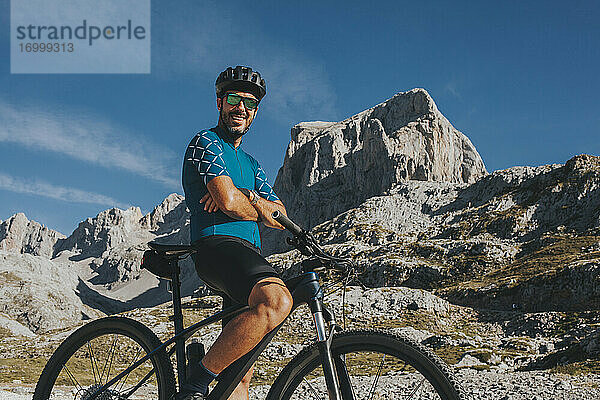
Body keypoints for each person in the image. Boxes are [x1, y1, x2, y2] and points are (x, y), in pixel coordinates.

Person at [180, 66, 293, 400]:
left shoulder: (252, 163)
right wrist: (244, 202)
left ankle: (207, 378)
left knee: (240, 378)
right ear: (219, 102)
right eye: (234, 99)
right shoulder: (206, 142)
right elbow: (228, 203)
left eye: (250, 103)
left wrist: (246, 198)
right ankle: (195, 383)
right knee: (275, 300)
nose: (241, 108)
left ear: (255, 113)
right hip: (217, 247)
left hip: (247, 256)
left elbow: (279, 215)